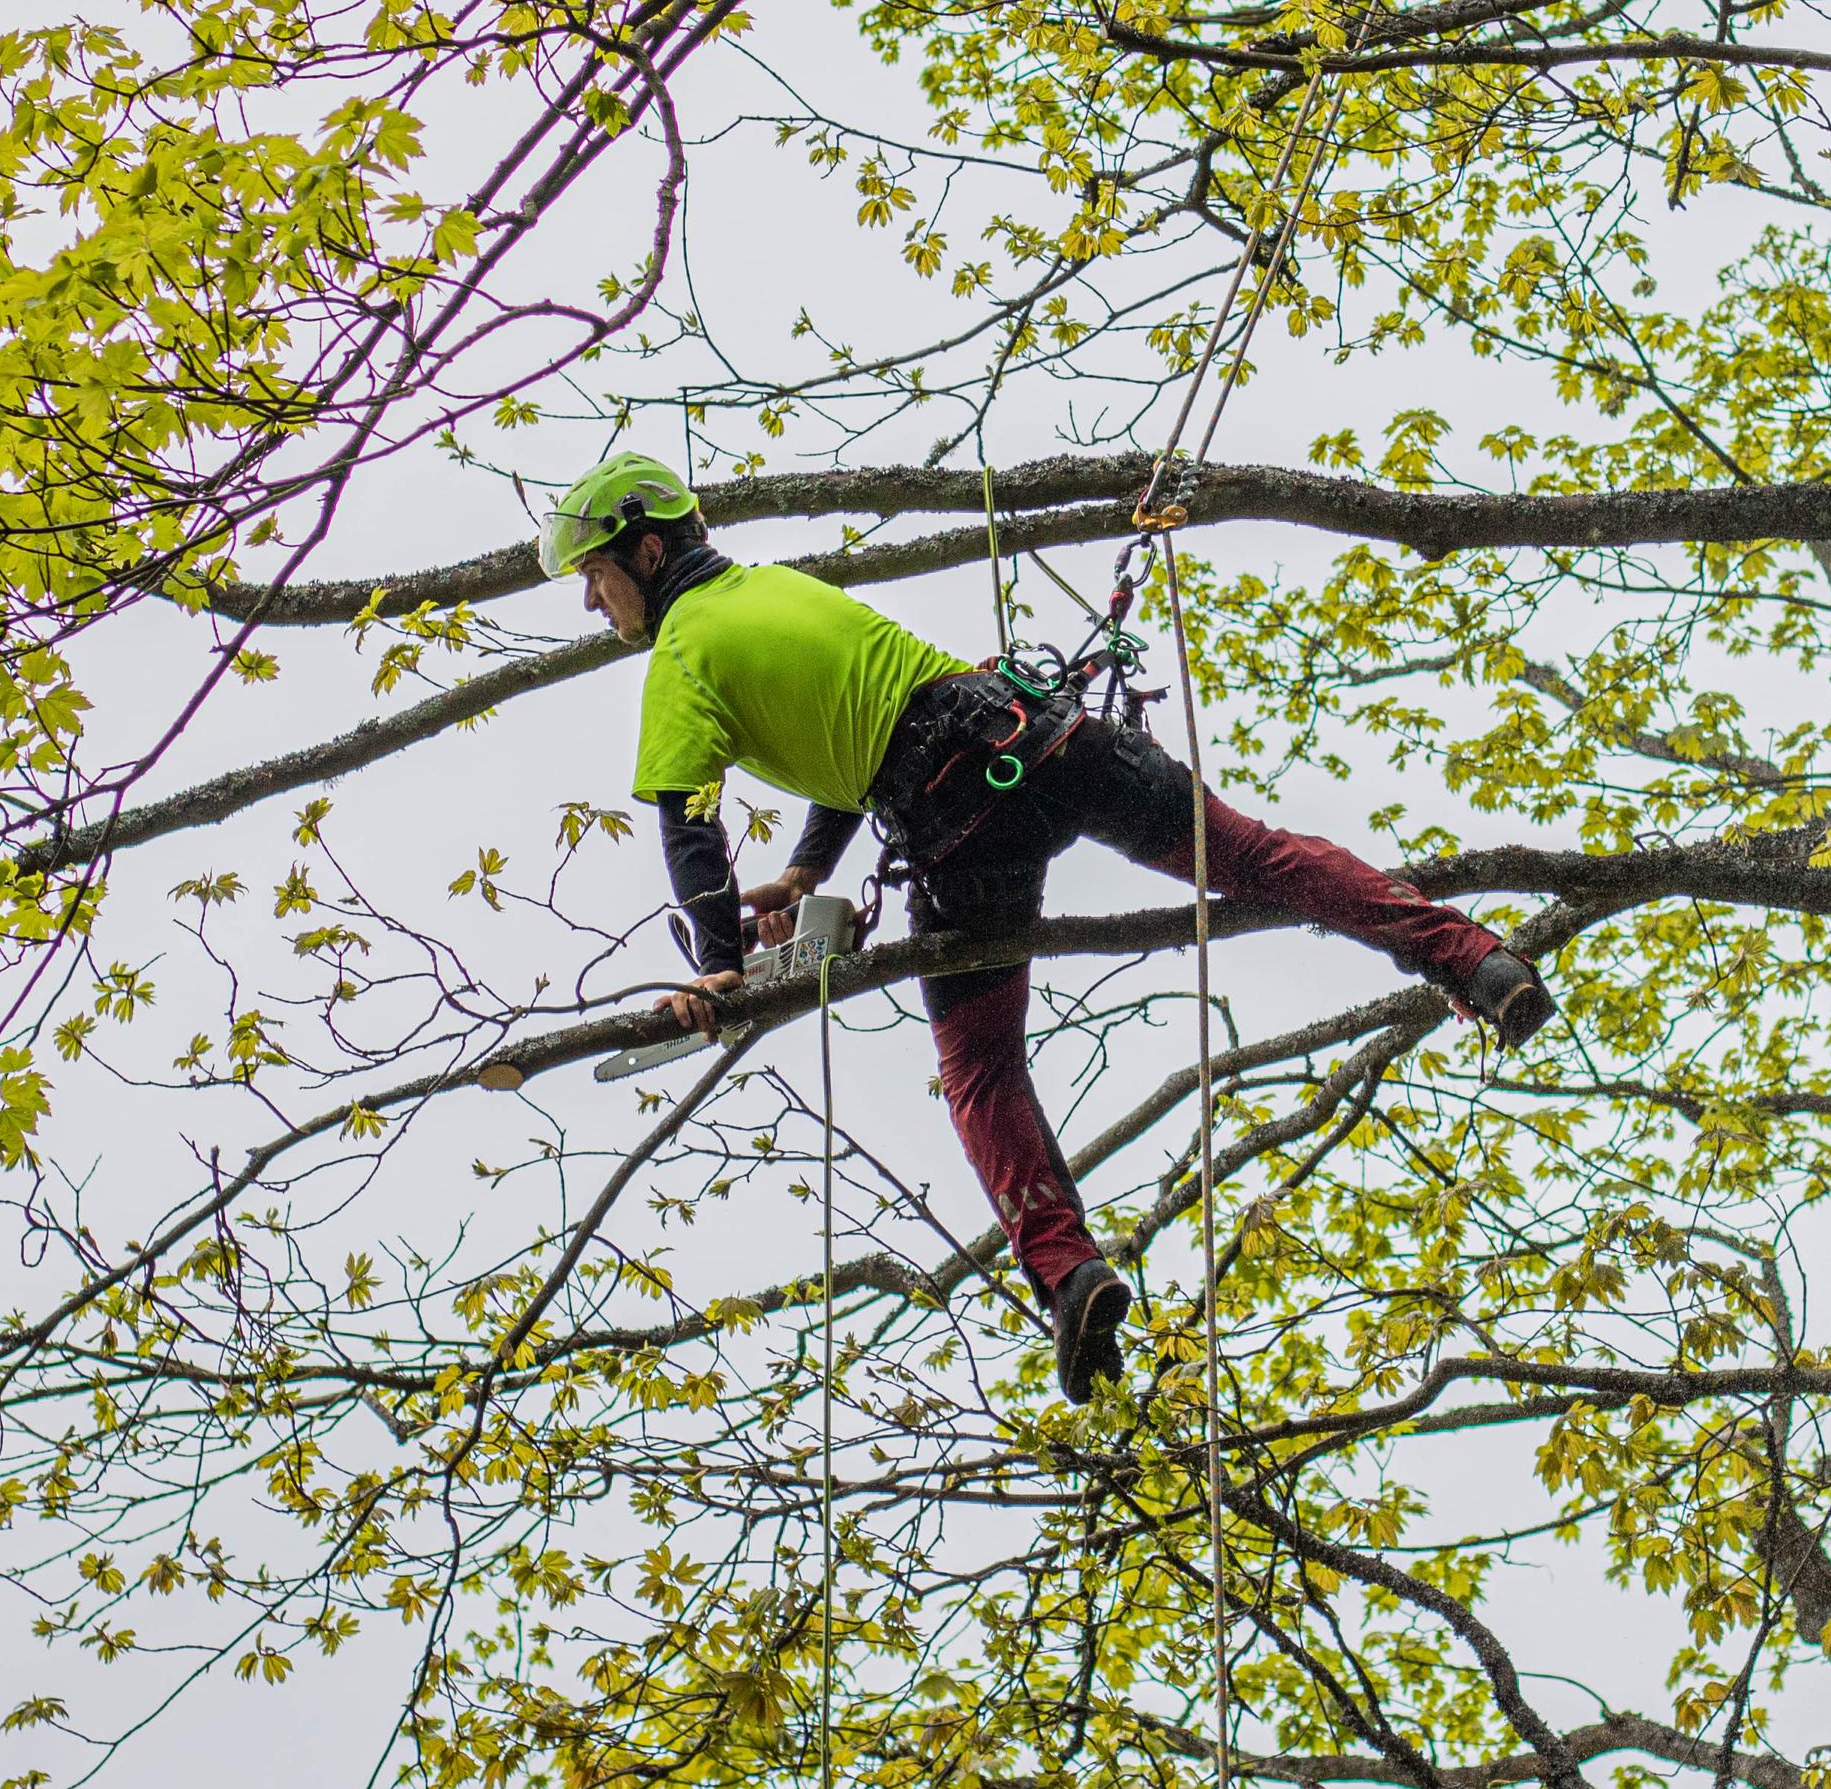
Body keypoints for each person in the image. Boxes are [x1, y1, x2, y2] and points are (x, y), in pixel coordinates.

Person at [537, 452, 1553, 1404]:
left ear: (648, 550)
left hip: (954, 820)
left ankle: (1069, 1276)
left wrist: (718, 969)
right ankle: (1473, 958)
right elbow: (863, 717)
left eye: (593, 574)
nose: (591, 599)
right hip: (1044, 737)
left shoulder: (679, 656)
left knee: (979, 1065)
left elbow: (689, 822)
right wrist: (808, 870)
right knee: (1254, 857)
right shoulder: (780, 591)